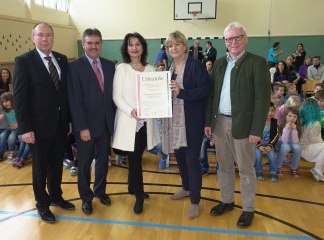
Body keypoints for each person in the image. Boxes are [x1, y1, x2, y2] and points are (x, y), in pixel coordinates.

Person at [205, 22, 271, 228]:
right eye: (229, 39)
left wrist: (256, 130)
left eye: (237, 37)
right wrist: (209, 122)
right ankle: (227, 201)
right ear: (224, 42)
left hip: (244, 125)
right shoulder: (219, 64)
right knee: (223, 166)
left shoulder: (257, 63)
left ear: (246, 38)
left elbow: (262, 99)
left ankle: (248, 209)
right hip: (219, 123)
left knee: (246, 170)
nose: (233, 42)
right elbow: (212, 95)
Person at [13, 22, 75, 224]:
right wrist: (25, 128)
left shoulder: (61, 59)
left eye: (48, 35)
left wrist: (69, 120)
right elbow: (20, 98)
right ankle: (42, 204)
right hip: (37, 128)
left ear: (53, 37)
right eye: (40, 35)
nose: (45, 38)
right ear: (33, 37)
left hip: (59, 125)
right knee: (39, 168)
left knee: (56, 165)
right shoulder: (24, 61)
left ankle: (56, 196)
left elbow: (64, 94)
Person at [67, 28, 116, 216]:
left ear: (101, 44)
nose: (93, 46)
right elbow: (74, 100)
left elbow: (112, 96)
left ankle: (100, 191)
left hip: (105, 125)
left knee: (103, 161)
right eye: (89, 43)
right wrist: (81, 127)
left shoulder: (109, 65)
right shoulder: (74, 67)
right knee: (85, 164)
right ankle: (86, 198)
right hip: (86, 126)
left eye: (97, 43)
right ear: (83, 44)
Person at [163, 30, 211, 219]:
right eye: (170, 46)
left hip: (191, 121)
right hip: (173, 121)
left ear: (184, 46)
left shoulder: (195, 66)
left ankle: (195, 201)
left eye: (177, 44)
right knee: (180, 158)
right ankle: (185, 188)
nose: (173, 48)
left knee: (192, 161)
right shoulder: (169, 67)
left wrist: (182, 92)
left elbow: (205, 90)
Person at [112, 32, 160, 214]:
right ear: (126, 48)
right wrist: (131, 111)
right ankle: (139, 195)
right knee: (134, 160)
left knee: (137, 156)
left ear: (143, 47)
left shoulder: (152, 69)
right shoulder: (122, 69)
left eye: (138, 44)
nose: (134, 47)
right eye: (131, 44)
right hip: (129, 121)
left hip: (146, 122)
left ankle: (132, 186)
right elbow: (117, 96)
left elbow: (155, 95)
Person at [299, 98, 324, 181]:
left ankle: (318, 171)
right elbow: (313, 139)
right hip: (306, 148)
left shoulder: (302, 120)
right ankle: (317, 170)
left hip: (303, 147)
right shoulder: (315, 123)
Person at [254, 103, 279, 181]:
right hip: (258, 145)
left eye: (272, 111)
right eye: (268, 111)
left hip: (269, 145)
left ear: (275, 111)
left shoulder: (275, 122)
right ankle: (258, 172)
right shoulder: (257, 122)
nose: (270, 113)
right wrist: (259, 146)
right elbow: (253, 135)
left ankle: (273, 173)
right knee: (257, 155)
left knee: (272, 156)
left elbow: (276, 135)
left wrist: (270, 146)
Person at [276, 107, 302, 178]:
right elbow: (284, 141)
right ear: (285, 116)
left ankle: (294, 167)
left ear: (297, 118)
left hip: (290, 144)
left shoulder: (297, 127)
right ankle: (278, 166)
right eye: (290, 116)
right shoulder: (281, 125)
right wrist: (286, 129)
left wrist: (294, 130)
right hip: (280, 143)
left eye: (295, 117)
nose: (292, 118)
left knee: (298, 147)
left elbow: (295, 142)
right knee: (286, 146)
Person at [0, 92, 18, 161]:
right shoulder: (4, 111)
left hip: (17, 129)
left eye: (7, 101)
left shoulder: (17, 109)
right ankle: (0, 154)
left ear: (12, 100)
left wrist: (18, 124)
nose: (5, 103)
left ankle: (11, 151)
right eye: (3, 102)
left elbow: (23, 118)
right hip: (9, 128)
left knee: (11, 138)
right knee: (2, 136)